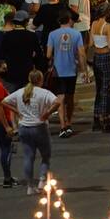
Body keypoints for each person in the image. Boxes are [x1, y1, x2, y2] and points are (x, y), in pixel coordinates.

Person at [2, 69, 59, 194]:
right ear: (40, 80)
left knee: (28, 157)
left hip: (24, 127)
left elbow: (4, 102)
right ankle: (42, 180)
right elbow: (57, 102)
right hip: (39, 127)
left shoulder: (21, 92)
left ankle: (29, 186)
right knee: (45, 156)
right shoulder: (44, 93)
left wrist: (17, 111)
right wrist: (47, 113)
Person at [47, 9, 86, 138]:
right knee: (70, 97)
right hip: (71, 69)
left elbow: (48, 54)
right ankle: (69, 122)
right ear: (69, 20)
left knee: (60, 97)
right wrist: (83, 69)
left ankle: (62, 125)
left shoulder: (52, 34)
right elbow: (81, 53)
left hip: (58, 70)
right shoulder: (76, 34)